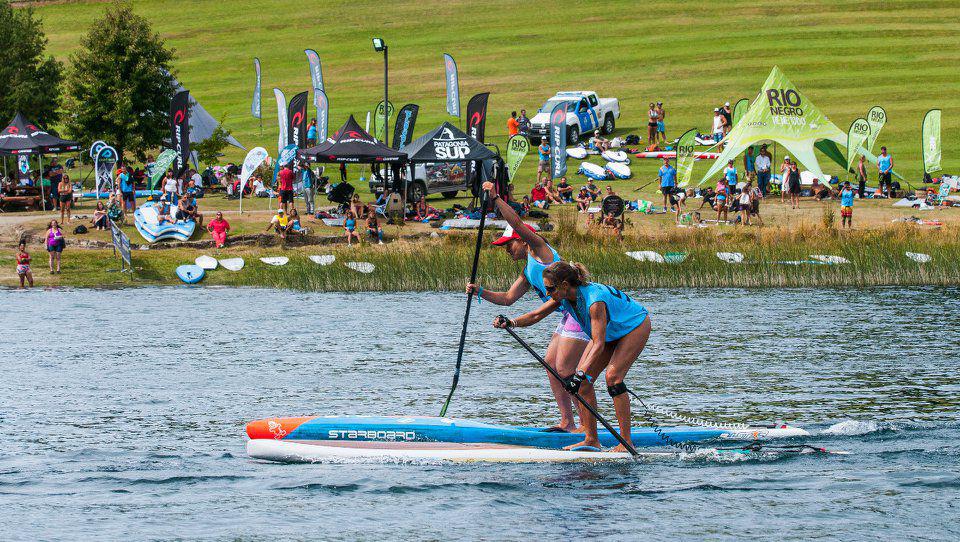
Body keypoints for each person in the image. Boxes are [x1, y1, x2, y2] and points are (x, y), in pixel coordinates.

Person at [469, 181, 590, 433]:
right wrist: (479, 291)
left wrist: (496, 198)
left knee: (567, 370)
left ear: (522, 242)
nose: (506, 250)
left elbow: (517, 223)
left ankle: (587, 427)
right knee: (550, 364)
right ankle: (568, 422)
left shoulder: (540, 250)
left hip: (580, 312)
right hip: (567, 316)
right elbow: (507, 298)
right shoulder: (527, 271)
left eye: (508, 244)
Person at [493, 261, 651, 453]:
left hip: (634, 326)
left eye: (550, 289)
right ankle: (591, 439)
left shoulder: (594, 301)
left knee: (613, 378)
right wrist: (511, 322)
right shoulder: (564, 297)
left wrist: (580, 373)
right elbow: (535, 316)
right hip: (611, 331)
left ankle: (626, 443)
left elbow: (598, 343)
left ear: (565, 286)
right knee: (584, 384)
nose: (548, 293)